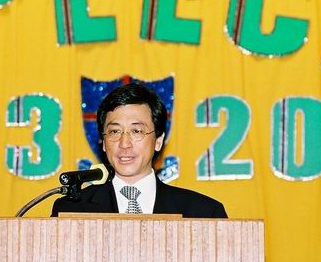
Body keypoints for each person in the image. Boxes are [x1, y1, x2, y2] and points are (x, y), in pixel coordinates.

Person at [51, 82, 227, 218]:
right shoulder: (70, 210)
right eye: (114, 131)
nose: (124, 144)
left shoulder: (203, 212)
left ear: (158, 140)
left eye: (136, 131)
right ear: (103, 142)